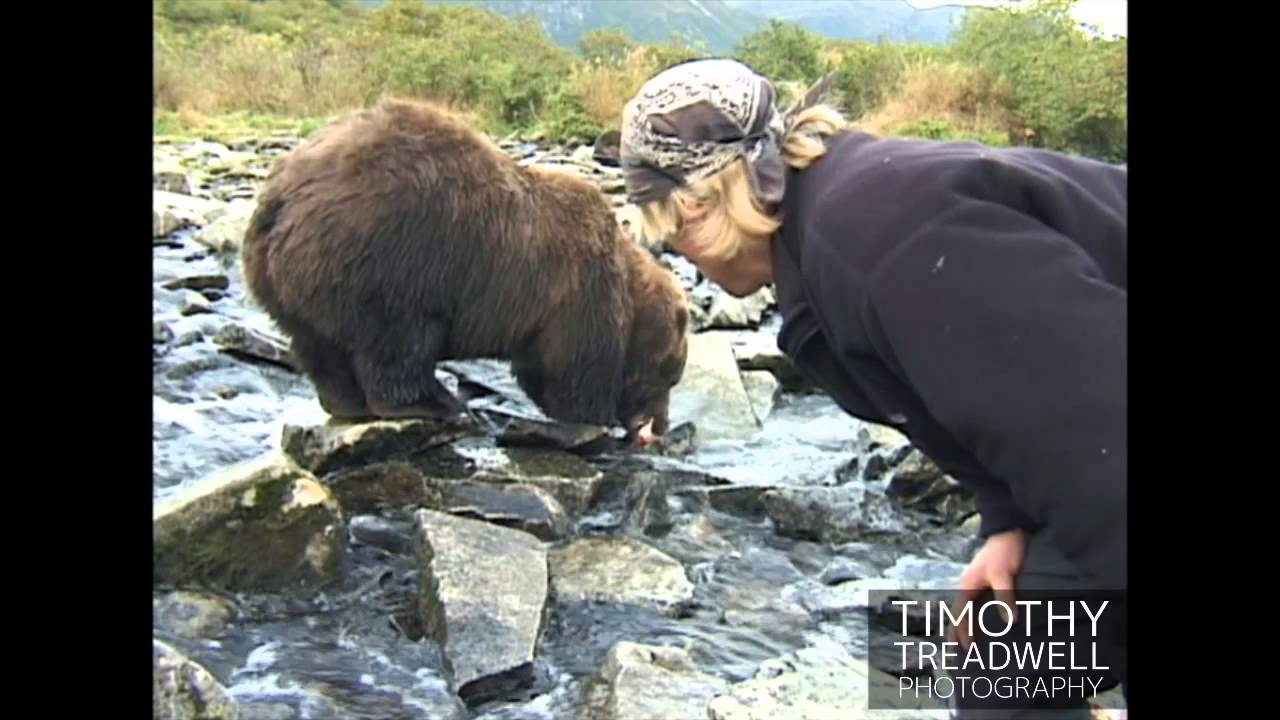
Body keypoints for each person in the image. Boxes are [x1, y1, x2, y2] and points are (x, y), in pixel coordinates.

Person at [617, 57, 1127, 717]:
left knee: (996, 675)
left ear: (708, 199)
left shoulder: (881, 246)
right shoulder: (827, 225)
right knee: (959, 662)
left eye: (671, 221)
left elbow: (1108, 445)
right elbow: (1016, 393)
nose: (676, 249)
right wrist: (1007, 519)